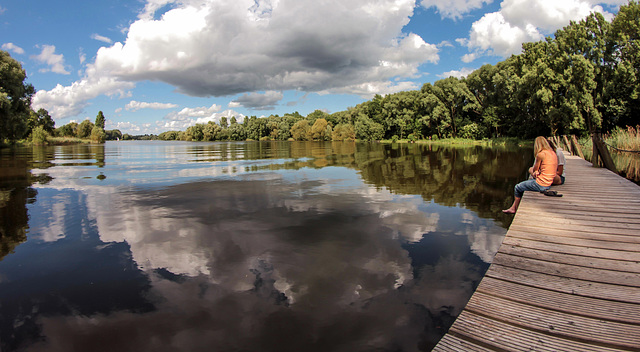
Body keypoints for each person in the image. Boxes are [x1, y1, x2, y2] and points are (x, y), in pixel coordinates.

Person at [503, 136, 558, 214]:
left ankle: (514, 208)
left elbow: (535, 169)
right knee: (526, 183)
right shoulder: (553, 153)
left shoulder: (541, 154)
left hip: (541, 184)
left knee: (518, 187)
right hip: (549, 183)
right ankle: (514, 207)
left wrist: (536, 171)